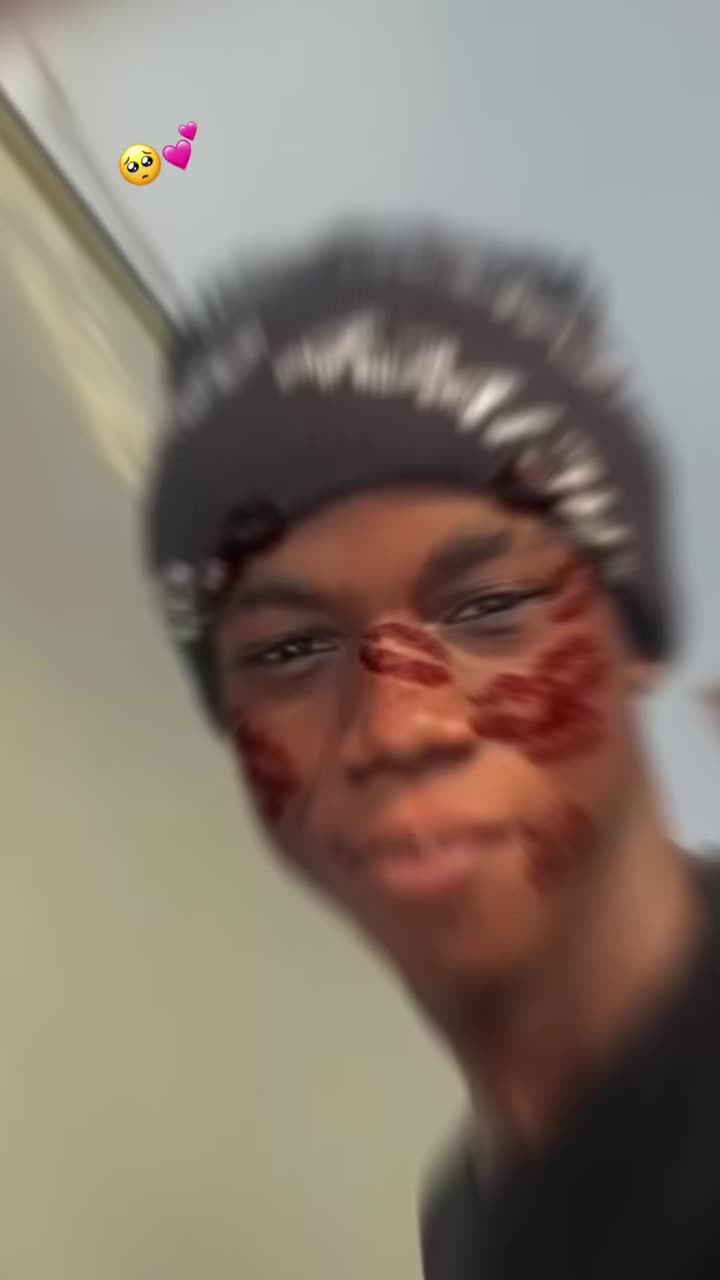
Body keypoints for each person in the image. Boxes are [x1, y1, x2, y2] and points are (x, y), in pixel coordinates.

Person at [141, 225, 720, 1278]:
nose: (399, 726)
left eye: (491, 607)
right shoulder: (467, 1220)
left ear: (633, 632)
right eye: (288, 649)